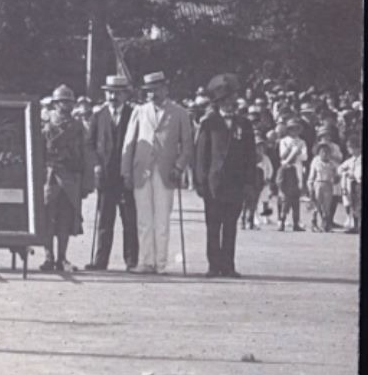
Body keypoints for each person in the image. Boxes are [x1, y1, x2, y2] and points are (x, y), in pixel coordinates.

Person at [120, 71, 194, 274]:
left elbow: (187, 145)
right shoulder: (140, 111)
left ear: (165, 88)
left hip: (166, 172)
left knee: (162, 219)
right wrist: (125, 171)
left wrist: (179, 167)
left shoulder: (179, 113)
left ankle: (161, 263)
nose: (152, 94)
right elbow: (129, 141)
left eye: (156, 89)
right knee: (144, 219)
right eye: (149, 91)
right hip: (140, 170)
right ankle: (145, 261)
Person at [194, 73, 257, 277]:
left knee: (231, 226)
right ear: (218, 102)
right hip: (214, 183)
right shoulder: (209, 122)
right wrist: (201, 181)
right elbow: (201, 155)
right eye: (226, 100)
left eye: (232, 99)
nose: (230, 103)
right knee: (213, 226)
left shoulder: (245, 124)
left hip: (236, 183)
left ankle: (228, 265)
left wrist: (249, 182)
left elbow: (250, 155)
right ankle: (213, 265)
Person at [86, 74, 138, 272]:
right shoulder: (98, 116)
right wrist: (96, 165)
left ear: (125, 95)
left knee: (129, 221)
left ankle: (131, 261)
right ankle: (100, 261)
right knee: (105, 221)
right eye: (110, 93)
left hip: (126, 175)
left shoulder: (133, 115)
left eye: (117, 93)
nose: (113, 97)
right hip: (105, 176)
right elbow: (89, 145)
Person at [40, 85, 94, 272]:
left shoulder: (78, 126)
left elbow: (86, 154)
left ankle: (62, 258)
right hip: (50, 177)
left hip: (70, 178)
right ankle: (48, 257)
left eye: (70, 102)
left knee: (65, 219)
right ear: (55, 104)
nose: (67, 105)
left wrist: (88, 182)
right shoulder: (46, 124)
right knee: (47, 218)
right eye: (63, 102)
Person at [276, 120, 309, 232]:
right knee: (286, 197)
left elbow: (304, 157)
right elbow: (282, 155)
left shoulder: (302, 142)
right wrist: (293, 151)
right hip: (286, 170)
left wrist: (297, 153)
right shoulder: (284, 141)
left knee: (296, 197)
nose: (294, 131)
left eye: (296, 128)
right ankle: (282, 221)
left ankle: (296, 223)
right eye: (291, 128)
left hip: (297, 169)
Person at [308, 141, 341, 232]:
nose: (325, 154)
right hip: (318, 184)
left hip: (328, 185)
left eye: (327, 152)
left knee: (327, 206)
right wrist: (310, 186)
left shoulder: (332, 164)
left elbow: (337, 175)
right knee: (316, 204)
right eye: (322, 151)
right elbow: (311, 175)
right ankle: (313, 223)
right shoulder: (316, 162)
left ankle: (326, 225)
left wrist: (336, 178)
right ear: (319, 153)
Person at [339, 139, 363, 234]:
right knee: (353, 204)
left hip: (359, 183)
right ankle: (355, 225)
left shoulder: (361, 159)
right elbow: (340, 168)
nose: (349, 150)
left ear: (357, 148)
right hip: (352, 185)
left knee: (359, 204)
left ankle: (359, 225)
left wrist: (353, 174)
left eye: (351, 148)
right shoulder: (350, 160)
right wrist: (344, 171)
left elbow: (359, 173)